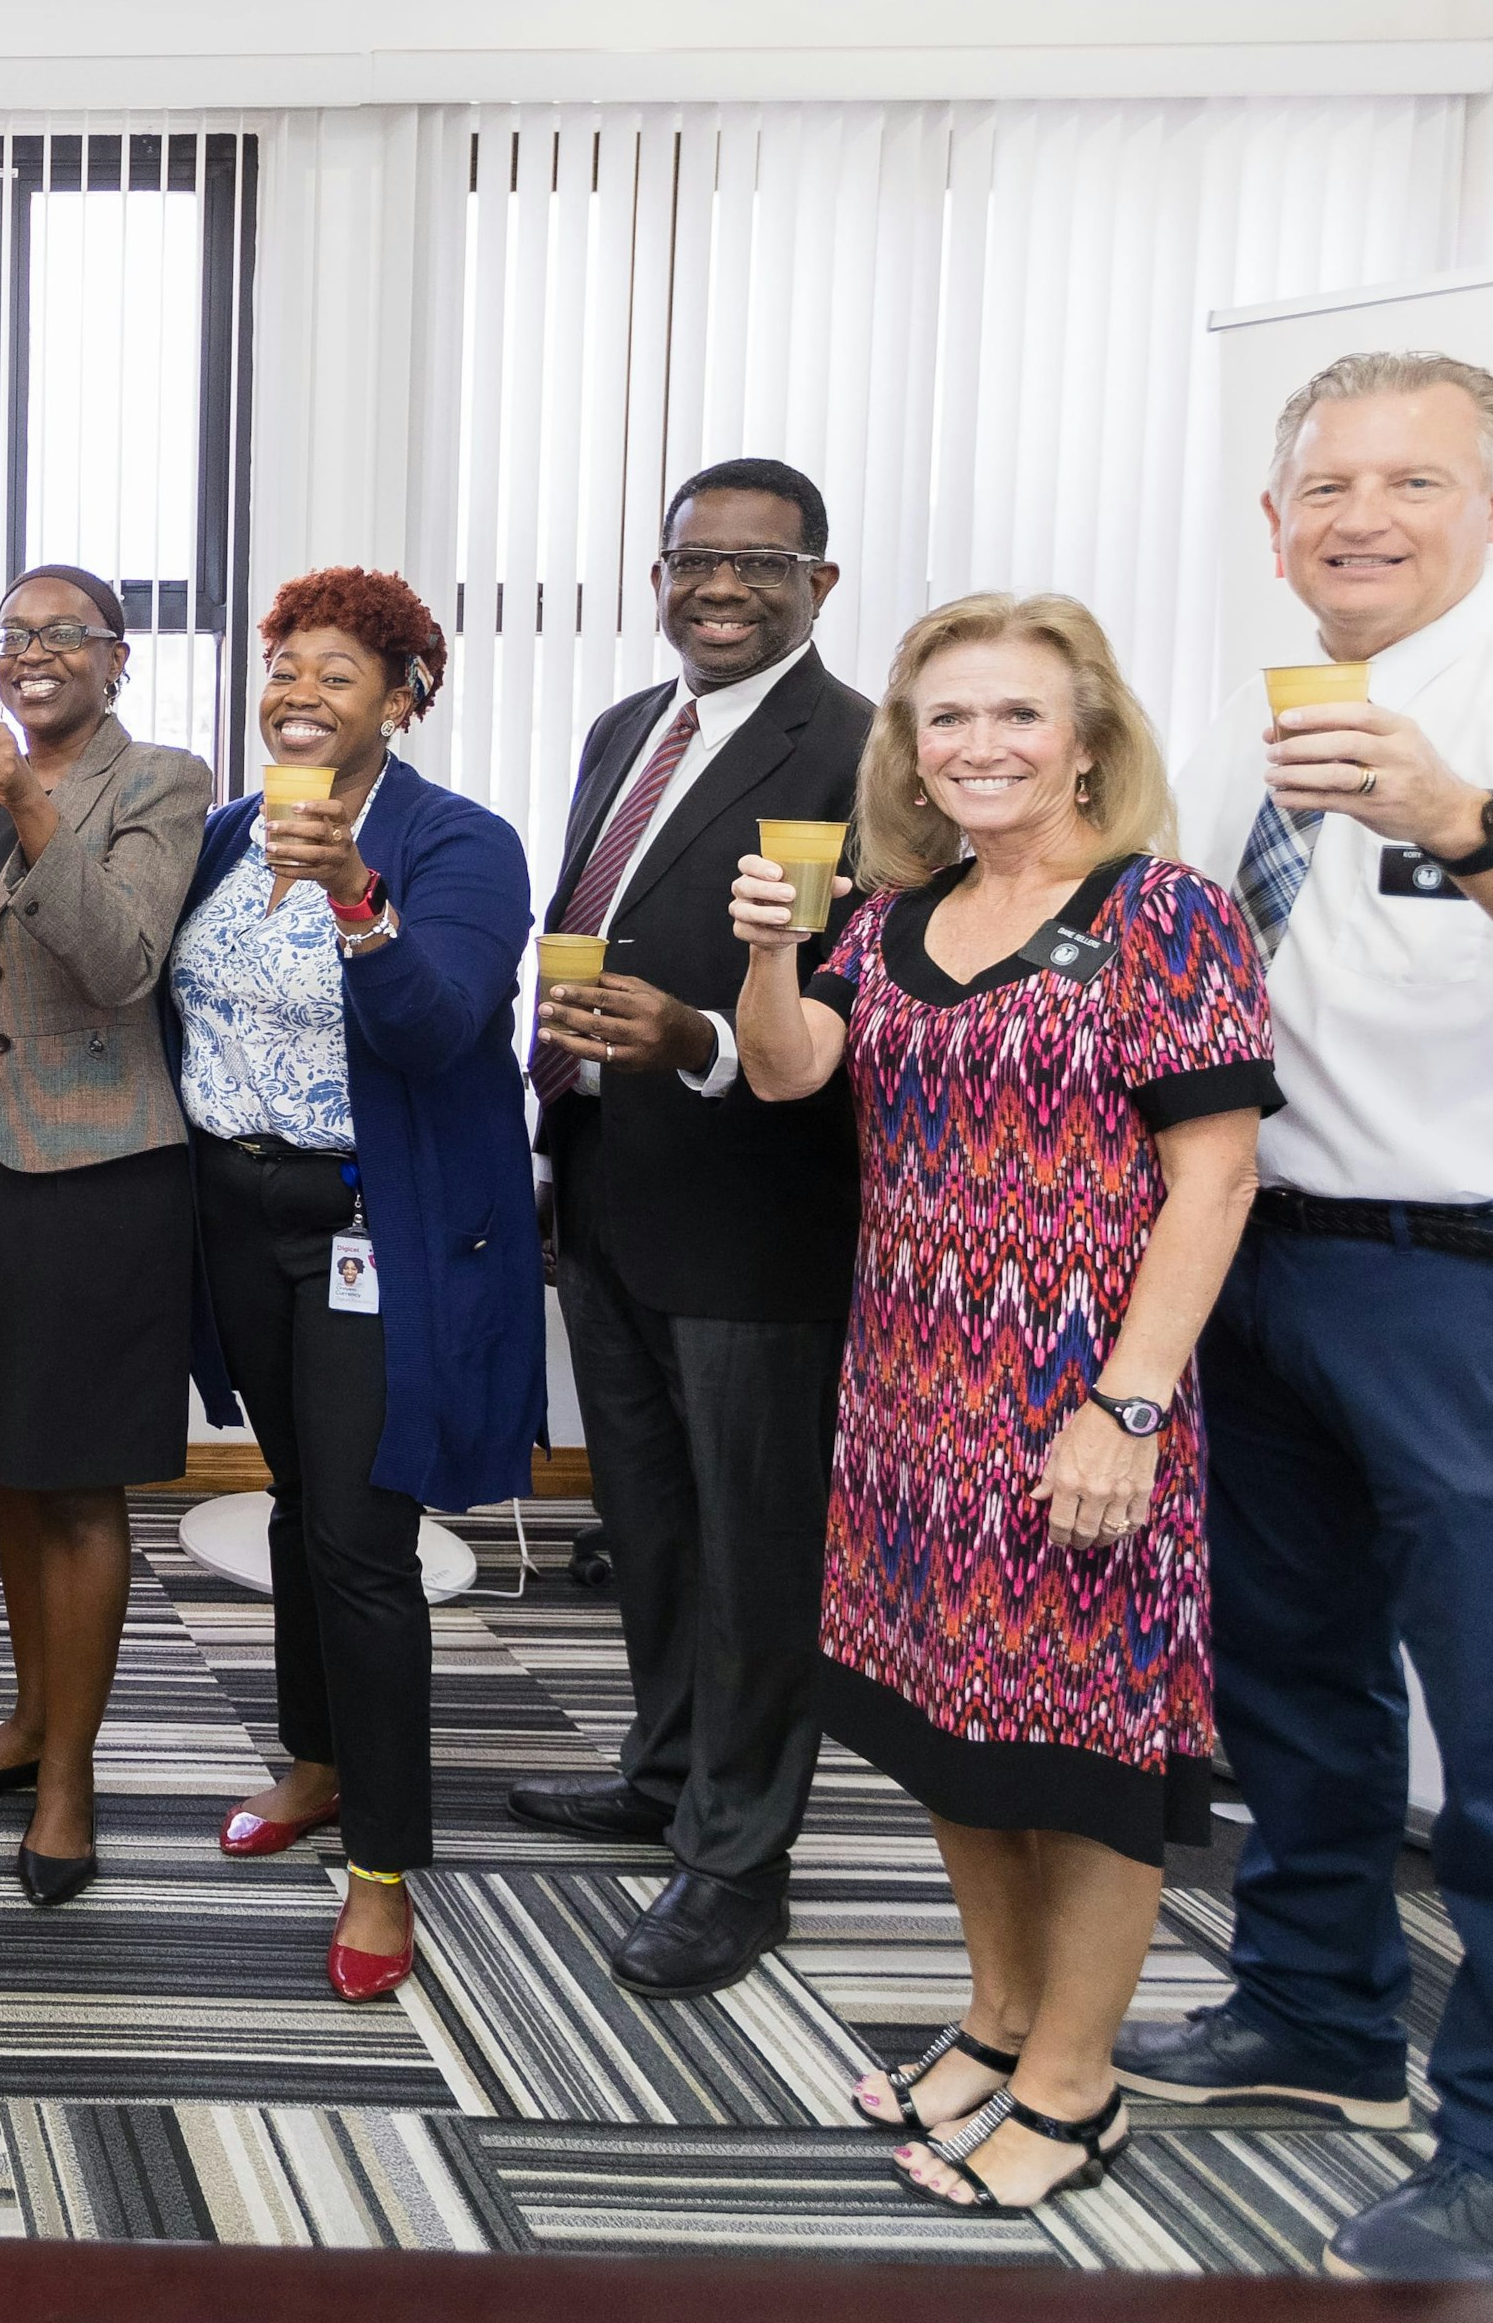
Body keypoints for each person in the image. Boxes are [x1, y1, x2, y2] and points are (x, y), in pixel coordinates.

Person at [732, 591, 1271, 2215]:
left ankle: (1072, 2084)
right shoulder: (895, 912)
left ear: (1089, 733)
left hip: (1079, 1408)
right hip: (906, 1400)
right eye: (946, 718)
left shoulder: (1162, 915)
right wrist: (767, 951)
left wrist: (1127, 1408)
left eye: (1016, 714)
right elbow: (783, 1072)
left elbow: (1217, 1175)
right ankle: (996, 2017)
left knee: (1083, 1751)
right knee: (944, 1735)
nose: (978, 746)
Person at [1128, 351, 1493, 2286]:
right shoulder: (1247, 714)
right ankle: (1313, 2004)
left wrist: (1472, 822)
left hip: (1473, 1278)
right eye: (1327, 488)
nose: (1362, 516)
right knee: (1289, 1676)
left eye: (1414, 481)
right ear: (1275, 522)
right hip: (1259, 1255)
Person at [509, 458, 877, 2000]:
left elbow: (858, 991)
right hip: (606, 1182)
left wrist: (703, 1041)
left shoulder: (870, 750)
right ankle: (665, 1771)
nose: (718, 587)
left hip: (754, 1210)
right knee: (649, 1523)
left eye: (756, 563)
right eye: (691, 561)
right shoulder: (624, 729)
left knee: (753, 1545)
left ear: (819, 585)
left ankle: (738, 1864)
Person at [172, 568, 542, 2003]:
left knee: (363, 1542)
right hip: (233, 1215)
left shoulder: (460, 844)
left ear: (403, 700)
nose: (302, 691)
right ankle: (317, 1762)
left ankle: (386, 1868)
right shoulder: (220, 836)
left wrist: (356, 902)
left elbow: (444, 1029)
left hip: (368, 1227)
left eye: (339, 671)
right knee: (298, 1508)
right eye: (285, 667)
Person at [0, 570, 211, 1906]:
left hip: (102, 1181)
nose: (31, 653)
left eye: (63, 632)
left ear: (117, 658)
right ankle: (25, 1721)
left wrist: (26, 799)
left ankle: (69, 1778)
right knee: (13, 1463)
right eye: (14, 634)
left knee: (79, 1486)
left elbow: (120, 963)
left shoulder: (162, 783)